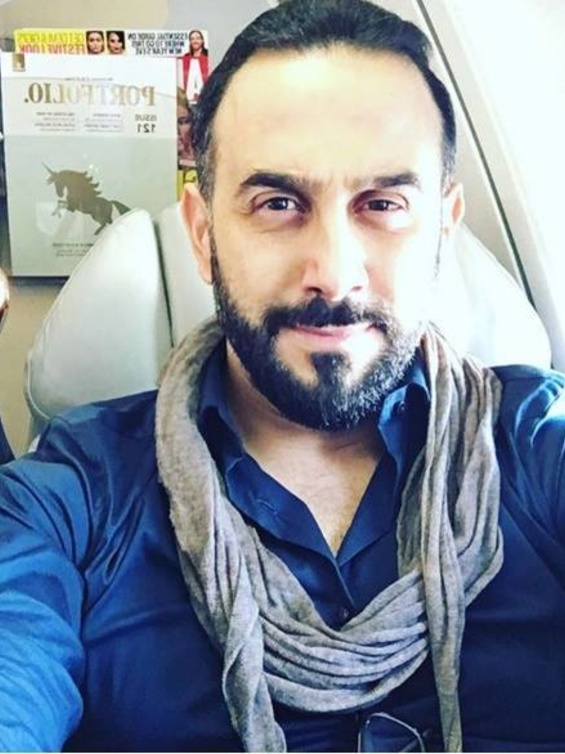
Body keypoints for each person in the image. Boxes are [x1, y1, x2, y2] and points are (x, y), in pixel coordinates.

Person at [0, 1, 564, 752]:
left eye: (383, 204)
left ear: (442, 225)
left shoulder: (535, 445)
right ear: (203, 233)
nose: (333, 272)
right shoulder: (76, 497)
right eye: (277, 203)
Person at [179, 28, 209, 103]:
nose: (195, 41)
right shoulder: (185, 58)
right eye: (192, 39)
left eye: (198, 38)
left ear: (202, 40)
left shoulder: (207, 56)